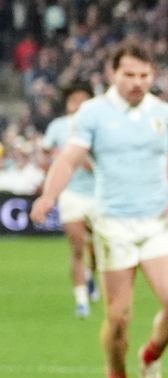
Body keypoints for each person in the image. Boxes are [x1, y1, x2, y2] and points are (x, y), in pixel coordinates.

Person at [30, 45, 168, 378]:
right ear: (112, 74)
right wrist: (49, 195)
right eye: (129, 75)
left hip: (158, 222)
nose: (137, 82)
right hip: (113, 224)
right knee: (118, 318)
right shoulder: (92, 113)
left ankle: (151, 355)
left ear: (153, 75)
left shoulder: (166, 113)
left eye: (144, 75)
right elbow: (69, 159)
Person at [40, 84, 98, 317]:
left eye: (83, 100)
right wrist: (51, 171)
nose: (77, 104)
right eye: (74, 100)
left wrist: (87, 162)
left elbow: (102, 164)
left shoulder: (99, 125)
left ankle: (90, 274)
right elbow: (45, 153)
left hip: (99, 195)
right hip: (71, 194)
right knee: (77, 247)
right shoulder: (58, 126)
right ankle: (81, 300)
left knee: (98, 250)